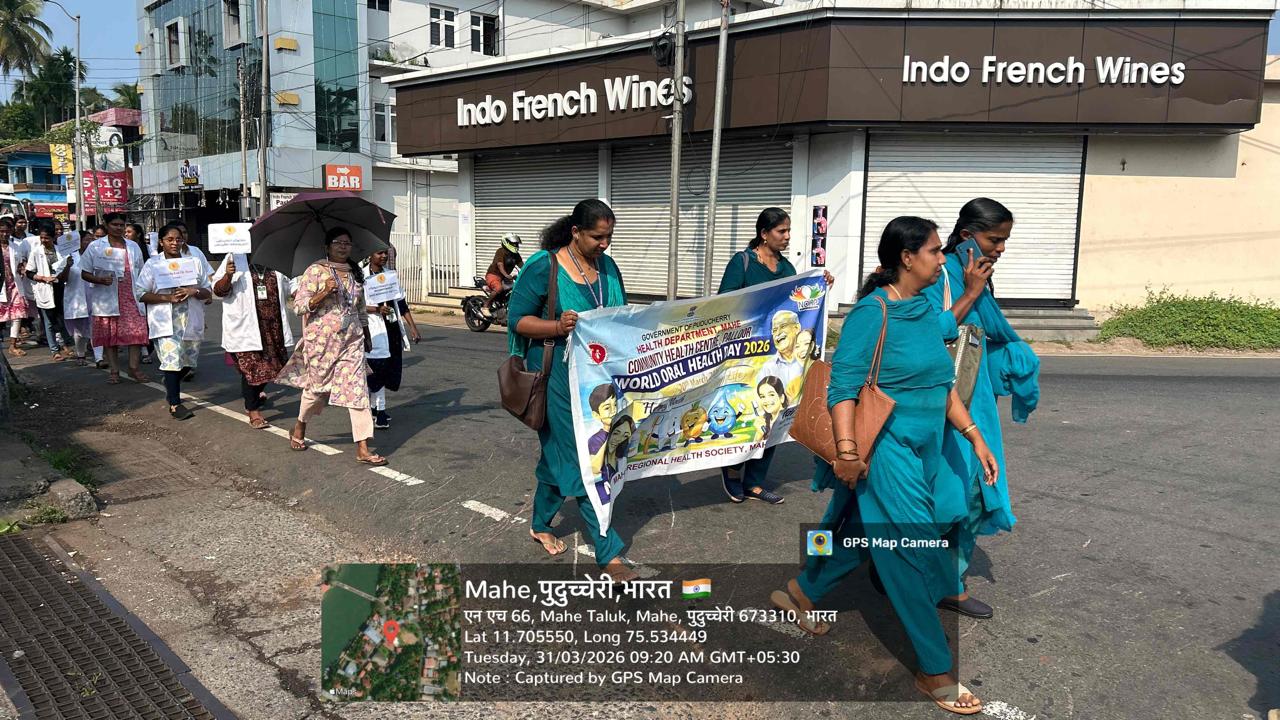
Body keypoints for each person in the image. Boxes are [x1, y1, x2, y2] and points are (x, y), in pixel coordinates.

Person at [771, 216, 999, 716]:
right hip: (886, 450)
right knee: (909, 552)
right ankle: (935, 668)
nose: (942, 259)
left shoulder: (923, 307)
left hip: (926, 449)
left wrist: (976, 438)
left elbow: (940, 381)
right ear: (907, 258)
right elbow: (843, 389)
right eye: (935, 251)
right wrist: (848, 454)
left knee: (864, 530)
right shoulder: (871, 314)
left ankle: (803, 591)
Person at [921, 197, 1040, 620]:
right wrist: (971, 292)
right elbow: (925, 335)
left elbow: (987, 335)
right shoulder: (937, 273)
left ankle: (949, 583)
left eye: (1005, 240)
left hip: (977, 401)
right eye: (994, 239)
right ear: (968, 236)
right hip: (939, 404)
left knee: (975, 492)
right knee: (940, 496)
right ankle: (903, 572)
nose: (1001, 248)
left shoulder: (981, 275)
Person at [508, 199, 636, 583]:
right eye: (597, 237)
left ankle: (540, 522)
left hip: (597, 379)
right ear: (576, 232)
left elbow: (620, 317)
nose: (605, 244)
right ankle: (608, 553)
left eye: (609, 237)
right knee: (585, 458)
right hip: (556, 378)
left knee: (559, 456)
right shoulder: (544, 265)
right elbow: (517, 321)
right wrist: (556, 327)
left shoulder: (608, 267)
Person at [715, 207, 835, 505]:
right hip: (745, 354)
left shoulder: (786, 269)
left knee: (774, 414)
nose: (787, 236)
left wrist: (821, 284)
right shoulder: (743, 263)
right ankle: (732, 472)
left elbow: (799, 303)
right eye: (781, 231)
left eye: (788, 230)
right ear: (764, 234)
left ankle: (755, 482)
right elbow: (723, 304)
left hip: (777, 357)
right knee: (746, 413)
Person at [276, 227, 388, 465]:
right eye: (338, 242)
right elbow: (299, 307)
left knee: (358, 391)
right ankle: (300, 425)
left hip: (352, 341)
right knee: (317, 389)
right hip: (322, 343)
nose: (343, 247)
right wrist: (324, 292)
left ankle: (363, 447)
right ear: (327, 246)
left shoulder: (355, 272)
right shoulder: (316, 270)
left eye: (347, 243)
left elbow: (359, 307)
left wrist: (366, 333)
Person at [135, 224, 212, 420]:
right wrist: (167, 298)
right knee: (171, 362)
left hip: (191, 320)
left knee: (187, 363)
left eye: (178, 239)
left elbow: (207, 291)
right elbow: (140, 293)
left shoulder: (194, 262)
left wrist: (193, 291)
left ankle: (170, 384)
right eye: (170, 239)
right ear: (161, 242)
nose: (175, 243)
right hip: (165, 322)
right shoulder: (153, 264)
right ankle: (175, 404)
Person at [212, 249, 294, 429]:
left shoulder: (277, 259)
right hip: (245, 328)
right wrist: (228, 275)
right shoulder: (234, 259)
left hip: (273, 328)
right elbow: (218, 290)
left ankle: (254, 396)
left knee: (273, 368)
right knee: (252, 369)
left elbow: (292, 287)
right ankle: (253, 410)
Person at [79, 212, 149, 384]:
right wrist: (100, 280)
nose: (118, 228)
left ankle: (133, 368)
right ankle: (114, 371)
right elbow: (85, 273)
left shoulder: (133, 246)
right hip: (107, 296)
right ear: (106, 225)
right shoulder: (96, 246)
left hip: (130, 296)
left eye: (121, 225)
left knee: (136, 332)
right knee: (110, 336)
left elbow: (141, 271)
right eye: (114, 225)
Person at [363, 248, 420, 429]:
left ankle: (375, 408)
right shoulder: (361, 276)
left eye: (385, 253)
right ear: (370, 255)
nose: (384, 256)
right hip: (373, 330)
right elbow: (355, 305)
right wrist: (377, 309)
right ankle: (378, 411)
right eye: (379, 253)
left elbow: (401, 303)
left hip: (391, 329)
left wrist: (413, 328)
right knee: (376, 370)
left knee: (387, 370)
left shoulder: (390, 276)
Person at [24, 222, 72, 360]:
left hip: (59, 288)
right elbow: (29, 272)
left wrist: (68, 266)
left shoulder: (60, 251)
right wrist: (43, 278)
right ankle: (54, 350)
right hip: (44, 288)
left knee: (61, 319)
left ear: (53, 237)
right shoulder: (36, 252)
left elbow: (64, 273)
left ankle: (65, 345)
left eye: (47, 238)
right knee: (49, 321)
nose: (44, 240)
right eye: (42, 238)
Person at [62, 230, 104, 366]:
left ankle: (99, 358)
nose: (90, 242)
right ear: (78, 242)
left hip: (94, 295)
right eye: (86, 240)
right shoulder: (70, 257)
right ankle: (81, 354)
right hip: (77, 297)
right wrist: (67, 266)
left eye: (91, 239)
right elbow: (61, 279)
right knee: (80, 329)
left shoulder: (97, 255)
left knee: (96, 327)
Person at [0, 217, 34, 357]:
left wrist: (22, 268)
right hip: (1, 286)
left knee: (17, 314)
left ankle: (13, 345)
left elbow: (20, 263)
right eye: (1, 231)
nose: (4, 234)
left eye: (7, 231)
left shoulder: (15, 247)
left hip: (14, 284)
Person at [483, 233, 524, 315]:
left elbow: (522, 265)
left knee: (514, 288)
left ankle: (504, 306)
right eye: (514, 244)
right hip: (493, 275)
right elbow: (500, 264)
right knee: (499, 288)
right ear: (506, 243)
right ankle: (485, 306)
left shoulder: (516, 255)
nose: (516, 245)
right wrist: (506, 275)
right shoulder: (501, 251)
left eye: (516, 244)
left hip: (504, 277)